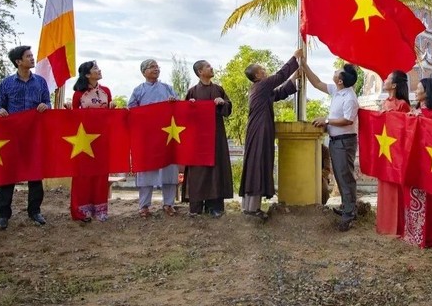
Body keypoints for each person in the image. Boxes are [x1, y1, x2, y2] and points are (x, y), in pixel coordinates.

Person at [239, 48, 302, 219]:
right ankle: (252, 209)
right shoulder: (262, 85)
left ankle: (250, 207)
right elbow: (280, 76)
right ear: (257, 76)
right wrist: (295, 58)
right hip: (260, 129)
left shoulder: (259, 89)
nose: (265, 71)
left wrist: (294, 78)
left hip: (258, 129)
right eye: (262, 70)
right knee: (257, 164)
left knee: (257, 164)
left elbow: (279, 94)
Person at [0, 45, 51, 229]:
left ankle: (35, 211)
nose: (32, 59)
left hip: (34, 135)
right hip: (12, 136)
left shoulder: (41, 82)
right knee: (8, 174)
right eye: (28, 56)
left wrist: (45, 107)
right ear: (18, 61)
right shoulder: (6, 84)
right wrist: (0, 111)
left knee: (35, 174)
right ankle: (3, 214)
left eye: (32, 55)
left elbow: (47, 103)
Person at [303, 62, 360, 231]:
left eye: (338, 71)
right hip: (336, 140)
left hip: (344, 140)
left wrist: (326, 121)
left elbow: (348, 120)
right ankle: (346, 207)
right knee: (340, 175)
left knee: (345, 176)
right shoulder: (337, 91)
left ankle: (349, 213)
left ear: (340, 80)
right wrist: (305, 66)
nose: (335, 71)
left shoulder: (350, 98)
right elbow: (317, 83)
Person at [128, 58, 179, 217]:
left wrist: (173, 102)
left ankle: (169, 204)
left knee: (169, 169)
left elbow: (178, 108)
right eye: (152, 67)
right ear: (144, 72)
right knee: (146, 170)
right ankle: (144, 206)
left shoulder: (168, 88)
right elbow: (131, 110)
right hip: (147, 137)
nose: (156, 69)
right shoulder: (138, 90)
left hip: (166, 136)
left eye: (157, 66)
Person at [185, 60, 233, 218]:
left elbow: (228, 109)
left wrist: (222, 103)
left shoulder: (218, 89)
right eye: (208, 66)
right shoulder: (192, 92)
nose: (212, 68)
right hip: (198, 139)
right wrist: (189, 106)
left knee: (215, 169)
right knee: (198, 171)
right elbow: (183, 117)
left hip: (216, 137)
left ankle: (214, 207)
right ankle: (196, 206)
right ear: (200, 71)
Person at [70, 61, 116, 222]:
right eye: (95, 69)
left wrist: (112, 109)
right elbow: (72, 118)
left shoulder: (106, 91)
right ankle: (81, 211)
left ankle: (100, 209)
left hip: (102, 138)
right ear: (88, 75)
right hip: (83, 140)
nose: (99, 70)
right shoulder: (78, 94)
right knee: (83, 174)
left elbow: (108, 116)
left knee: (101, 173)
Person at [403, 78, 432, 248]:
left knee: (429, 200)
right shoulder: (415, 111)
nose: (415, 90)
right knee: (412, 195)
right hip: (413, 159)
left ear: (427, 92)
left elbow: (429, 136)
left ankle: (430, 237)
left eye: (418, 88)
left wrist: (415, 119)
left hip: (428, 161)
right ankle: (414, 234)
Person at [376, 69, 411, 236]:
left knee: (396, 189)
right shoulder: (384, 104)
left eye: (388, 78)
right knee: (385, 186)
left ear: (394, 85)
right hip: (385, 150)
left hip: (397, 153)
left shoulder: (403, 105)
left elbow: (405, 130)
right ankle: (384, 223)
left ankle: (397, 226)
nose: (385, 80)